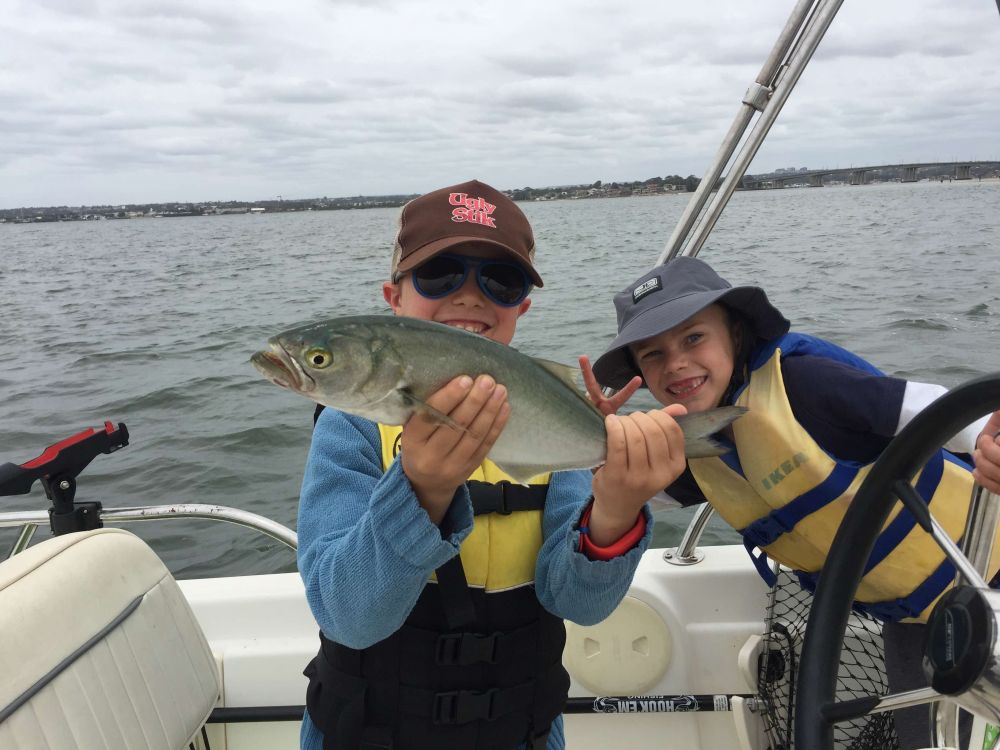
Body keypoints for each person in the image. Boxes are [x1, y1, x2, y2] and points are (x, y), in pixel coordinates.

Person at [296, 180, 689, 750]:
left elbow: (579, 604)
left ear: (520, 309)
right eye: (439, 275)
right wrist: (421, 488)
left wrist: (617, 509)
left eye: (500, 282)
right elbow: (348, 617)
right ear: (393, 298)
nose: (469, 296)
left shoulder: (549, 423)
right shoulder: (353, 423)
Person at [585, 255, 1000, 749]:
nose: (675, 363)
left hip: (987, 567)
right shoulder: (696, 447)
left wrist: (988, 443)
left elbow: (928, 407)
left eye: (694, 338)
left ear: (736, 334)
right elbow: (631, 491)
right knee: (926, 741)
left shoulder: (805, 383)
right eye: (652, 355)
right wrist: (601, 447)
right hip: (914, 619)